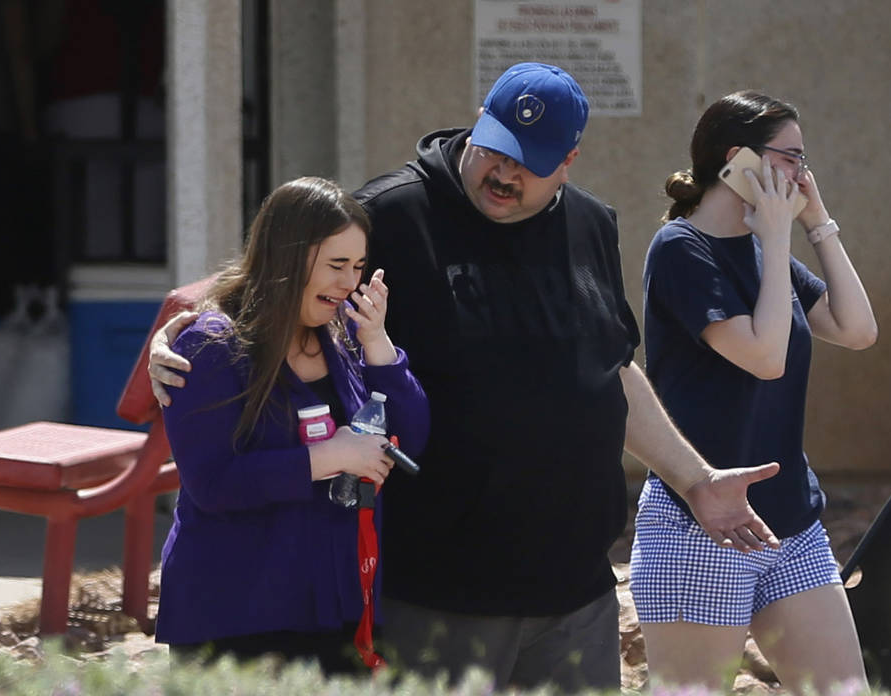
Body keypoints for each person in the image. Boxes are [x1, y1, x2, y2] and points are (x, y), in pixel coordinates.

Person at [149, 64, 780, 692]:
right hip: (441, 593)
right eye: (497, 150)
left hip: (576, 589)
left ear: (569, 161)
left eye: (528, 162)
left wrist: (695, 481)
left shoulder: (591, 224)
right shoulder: (392, 213)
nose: (505, 174)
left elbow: (612, 370)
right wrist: (181, 328)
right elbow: (287, 268)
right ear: (479, 123)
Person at [629, 90, 877, 693]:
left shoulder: (768, 251)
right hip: (705, 526)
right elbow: (766, 358)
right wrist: (776, 236)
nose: (802, 172)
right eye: (791, 157)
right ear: (738, 159)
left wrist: (816, 223)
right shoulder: (682, 250)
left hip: (791, 522)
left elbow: (858, 329)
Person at [154, 176, 430, 676]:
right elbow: (211, 484)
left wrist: (379, 345)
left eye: (359, 268)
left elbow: (409, 439)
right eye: (336, 266)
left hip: (337, 610)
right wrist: (328, 458)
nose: (350, 283)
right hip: (234, 617)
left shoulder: (342, 334)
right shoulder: (210, 345)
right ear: (287, 258)